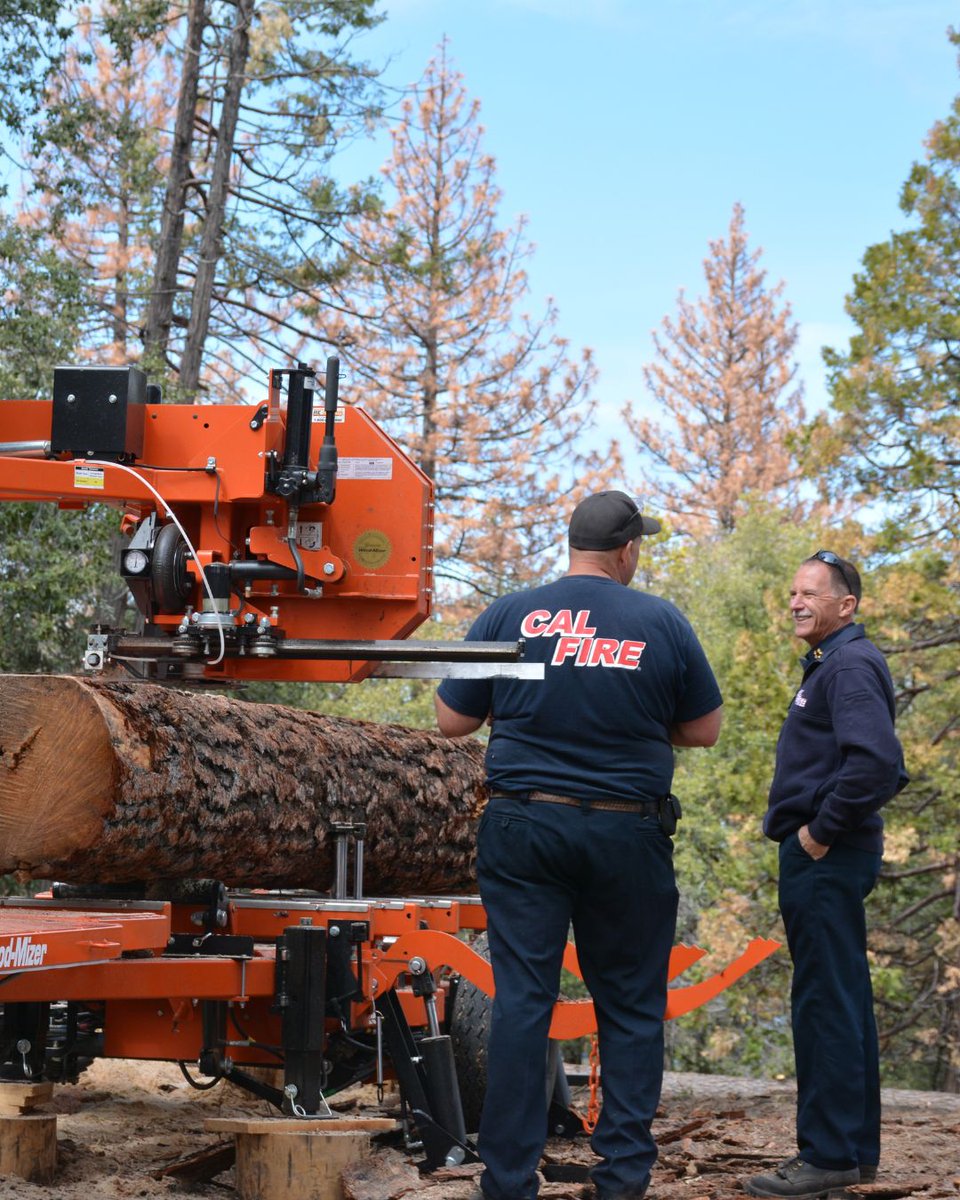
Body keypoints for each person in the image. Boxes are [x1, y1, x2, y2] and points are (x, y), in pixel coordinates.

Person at [434, 490, 723, 1200]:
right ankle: (622, 1178)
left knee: (523, 1004)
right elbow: (705, 728)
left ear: (571, 547)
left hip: (524, 827)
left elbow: (451, 721)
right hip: (627, 832)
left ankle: (506, 1181)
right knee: (629, 1005)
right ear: (626, 550)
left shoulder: (510, 613)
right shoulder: (660, 621)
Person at [746, 550, 908, 1200]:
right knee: (840, 998)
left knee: (824, 1002)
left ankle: (829, 1155)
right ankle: (851, 1153)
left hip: (826, 855)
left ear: (848, 605)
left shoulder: (850, 665)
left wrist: (818, 831)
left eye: (811, 592)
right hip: (829, 854)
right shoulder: (835, 665)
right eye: (792, 591)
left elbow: (875, 763)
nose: (795, 601)